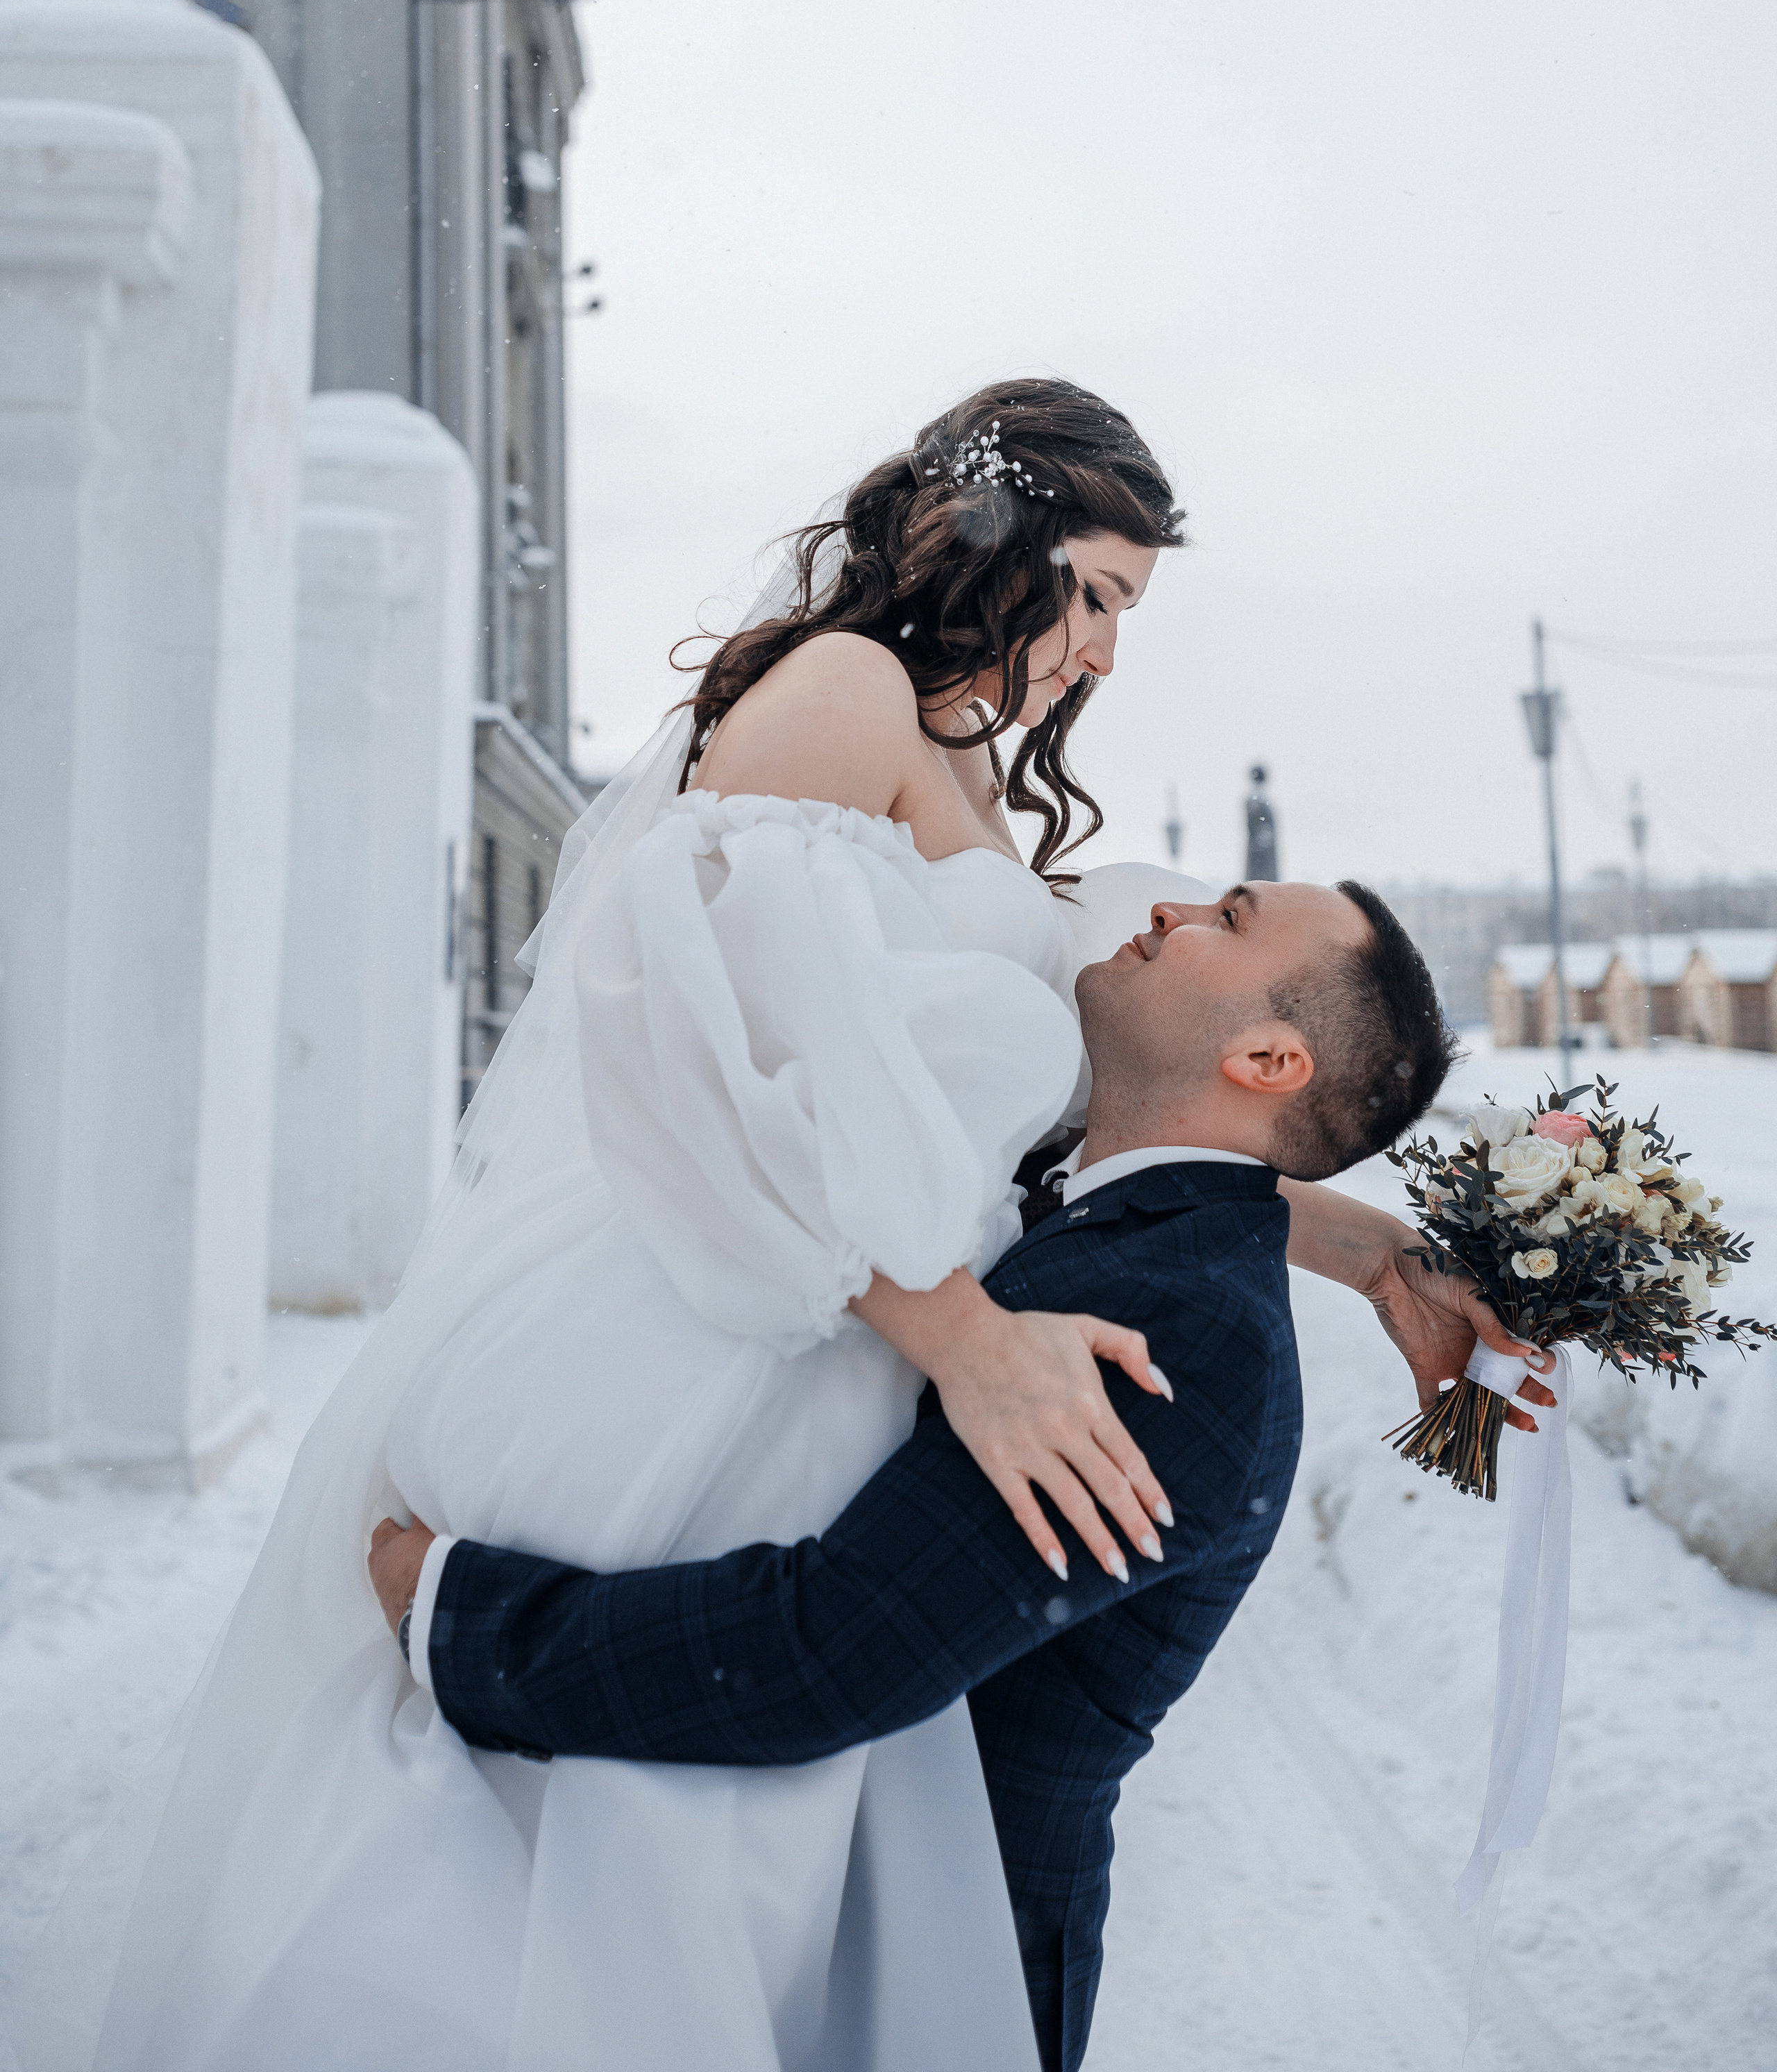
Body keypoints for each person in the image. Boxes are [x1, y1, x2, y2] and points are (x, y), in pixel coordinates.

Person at [15, 380, 1211, 2072]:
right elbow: (696, 1061)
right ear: (992, 531)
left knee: (743, 1856)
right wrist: (959, 1341)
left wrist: (1368, 1248)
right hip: (719, 1329)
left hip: (842, 1346)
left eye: (1125, 615)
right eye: (1091, 592)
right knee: (593, 1844)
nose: (1098, 652)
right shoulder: (841, 688)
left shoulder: (953, 757)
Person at [370, 882, 1553, 2072]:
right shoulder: (1110, 1203)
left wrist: (456, 1615)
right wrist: (1382, 1253)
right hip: (792, 1905)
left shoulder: (1190, 1336)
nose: (1172, 902)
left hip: (927, 1974)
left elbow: (827, 1653)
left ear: (1265, 1056)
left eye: (1231, 919)